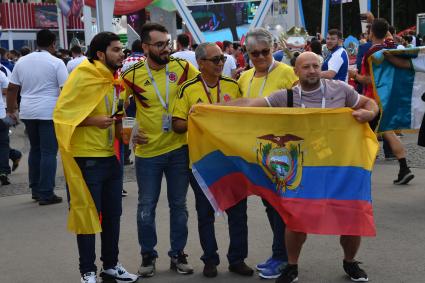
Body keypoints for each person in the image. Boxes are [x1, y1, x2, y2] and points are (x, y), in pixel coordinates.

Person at [224, 51, 378, 283]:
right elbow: (250, 105)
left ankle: (350, 262)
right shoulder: (286, 96)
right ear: (296, 72)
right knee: (296, 219)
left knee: (351, 217)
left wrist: (370, 112)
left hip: (343, 166)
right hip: (305, 169)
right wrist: (212, 109)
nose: (312, 70)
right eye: (306, 67)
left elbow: (369, 102)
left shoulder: (339, 89)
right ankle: (292, 266)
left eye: (316, 65)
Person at [53, 31, 138, 283]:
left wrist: (124, 128)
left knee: (113, 214)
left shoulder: (114, 78)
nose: (121, 53)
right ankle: (87, 271)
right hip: (87, 158)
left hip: (112, 156)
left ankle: (111, 265)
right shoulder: (83, 75)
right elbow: (61, 115)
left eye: (121, 49)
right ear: (101, 54)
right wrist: (92, 121)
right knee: (87, 215)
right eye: (115, 49)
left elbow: (116, 112)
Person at [121, 23, 199, 278]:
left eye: (168, 43)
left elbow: (200, 93)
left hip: (179, 149)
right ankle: (148, 255)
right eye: (160, 45)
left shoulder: (183, 67)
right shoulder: (131, 75)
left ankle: (178, 254)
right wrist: (129, 132)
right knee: (146, 206)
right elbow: (119, 108)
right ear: (145, 47)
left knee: (179, 205)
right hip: (148, 153)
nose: (166, 49)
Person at [172, 42, 253, 278]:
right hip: (202, 159)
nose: (221, 63)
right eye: (215, 59)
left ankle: (237, 259)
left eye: (222, 58)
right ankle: (210, 260)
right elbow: (177, 125)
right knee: (205, 212)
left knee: (238, 211)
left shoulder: (232, 86)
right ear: (201, 64)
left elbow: (245, 119)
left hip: (231, 158)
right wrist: (199, 120)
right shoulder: (186, 89)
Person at [238, 27, 298, 280]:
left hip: (283, 151)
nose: (260, 57)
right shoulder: (244, 77)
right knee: (269, 205)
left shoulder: (287, 73)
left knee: (280, 206)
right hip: (256, 151)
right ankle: (278, 255)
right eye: (255, 53)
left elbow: (302, 106)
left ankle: (283, 258)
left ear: (273, 49)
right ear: (248, 54)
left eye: (265, 51)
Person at [349, 18, 414, 185]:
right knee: (387, 132)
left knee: (360, 131)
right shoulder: (390, 48)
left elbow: (370, 80)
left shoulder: (372, 53)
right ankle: (404, 168)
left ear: (370, 33)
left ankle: (356, 174)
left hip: (373, 100)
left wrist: (355, 76)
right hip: (387, 96)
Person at [6, 29, 68, 204]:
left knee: (35, 149)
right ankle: (46, 192)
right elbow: (65, 90)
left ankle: (35, 189)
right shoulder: (57, 62)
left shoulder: (22, 61)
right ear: (53, 43)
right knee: (49, 152)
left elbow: (12, 88)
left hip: (28, 111)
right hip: (49, 111)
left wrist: (11, 109)